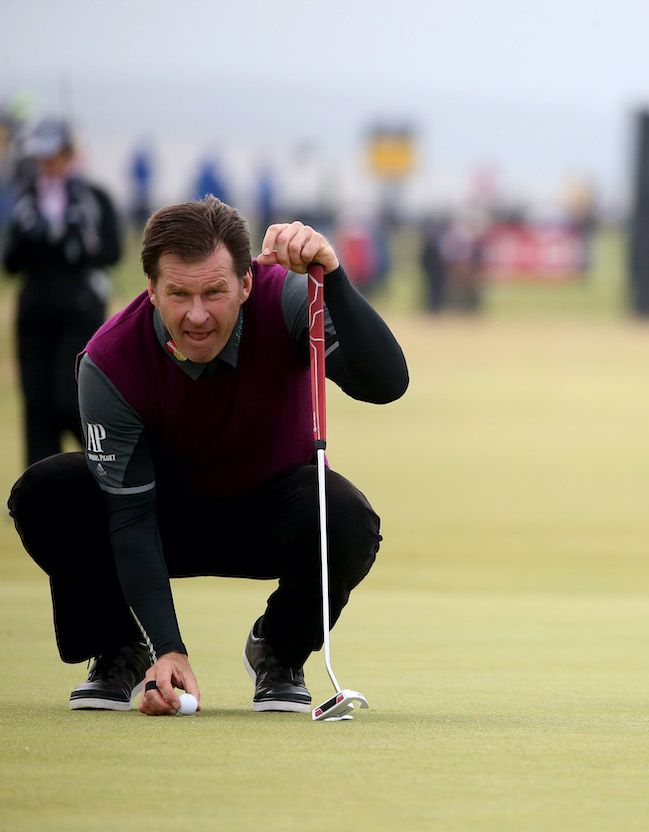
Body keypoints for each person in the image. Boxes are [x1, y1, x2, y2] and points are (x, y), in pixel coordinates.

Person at [7, 196, 409, 716]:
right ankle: (120, 650)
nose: (197, 315)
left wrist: (332, 280)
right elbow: (129, 518)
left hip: (270, 518)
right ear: (151, 291)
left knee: (347, 515)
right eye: (178, 294)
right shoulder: (109, 360)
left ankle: (280, 650)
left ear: (245, 283)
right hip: (157, 521)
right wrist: (166, 647)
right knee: (46, 492)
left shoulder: (288, 298)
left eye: (215, 292)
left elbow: (387, 384)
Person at [2, 117, 122, 466]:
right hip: (35, 312)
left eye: (53, 154)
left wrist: (74, 242)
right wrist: (31, 235)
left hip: (80, 309)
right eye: (40, 156)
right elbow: (10, 264)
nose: (47, 163)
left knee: (69, 399)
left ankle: (109, 469)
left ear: (69, 153)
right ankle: (38, 501)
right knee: (37, 408)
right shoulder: (26, 201)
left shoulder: (95, 198)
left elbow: (111, 252)